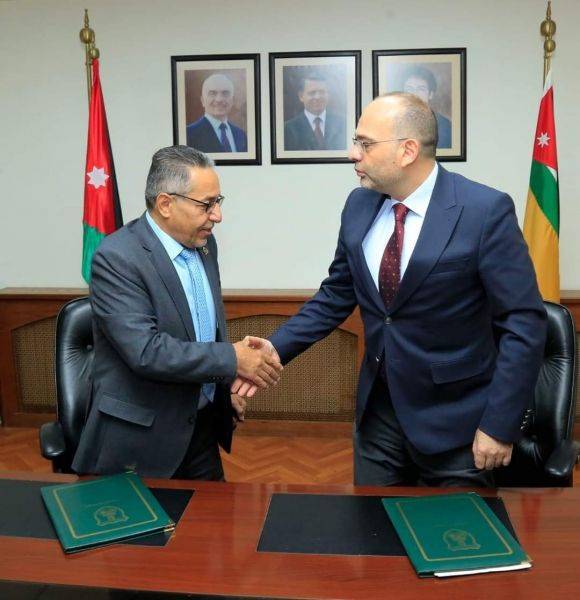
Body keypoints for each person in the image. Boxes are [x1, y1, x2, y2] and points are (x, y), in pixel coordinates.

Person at [235, 93, 546, 487]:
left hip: (459, 426)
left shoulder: (483, 211)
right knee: (372, 525)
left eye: (365, 143)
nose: (353, 154)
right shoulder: (358, 205)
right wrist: (274, 349)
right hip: (379, 420)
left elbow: (523, 323)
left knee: (456, 528)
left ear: (407, 151)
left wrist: (499, 425)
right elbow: (336, 295)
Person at [72, 145, 282, 480]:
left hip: (201, 428)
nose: (217, 215)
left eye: (218, 201)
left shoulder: (204, 243)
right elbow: (146, 351)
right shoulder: (118, 258)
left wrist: (220, 391)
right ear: (166, 204)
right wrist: (233, 359)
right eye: (206, 205)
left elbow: (202, 328)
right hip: (141, 440)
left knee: (215, 516)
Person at [284, 73, 346, 151]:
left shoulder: (343, 123)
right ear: (301, 96)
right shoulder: (288, 129)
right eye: (312, 93)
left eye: (322, 92)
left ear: (328, 95)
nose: (317, 97)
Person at [186, 74, 248, 153]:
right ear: (202, 101)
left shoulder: (241, 135)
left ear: (232, 100)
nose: (219, 99)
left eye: (225, 93)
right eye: (212, 93)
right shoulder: (189, 134)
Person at [401, 65, 452, 149]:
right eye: (409, 88)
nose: (415, 94)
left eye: (421, 89)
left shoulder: (444, 126)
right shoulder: (392, 123)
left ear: (430, 94)